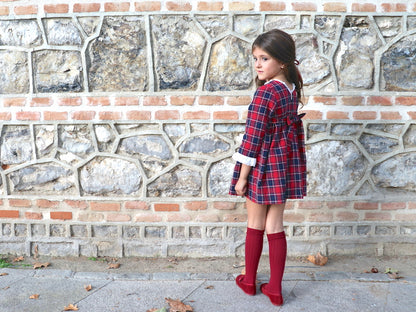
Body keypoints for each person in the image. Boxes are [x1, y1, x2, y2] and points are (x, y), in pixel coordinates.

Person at [229, 29, 306, 306]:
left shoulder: (266, 93)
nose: (258, 64)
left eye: (265, 58)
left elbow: (252, 139)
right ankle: (274, 288)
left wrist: (242, 178)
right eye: (255, 58)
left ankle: (249, 281)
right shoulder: (290, 90)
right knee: (275, 226)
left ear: (282, 61)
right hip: (281, 167)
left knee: (255, 223)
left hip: (261, 167)